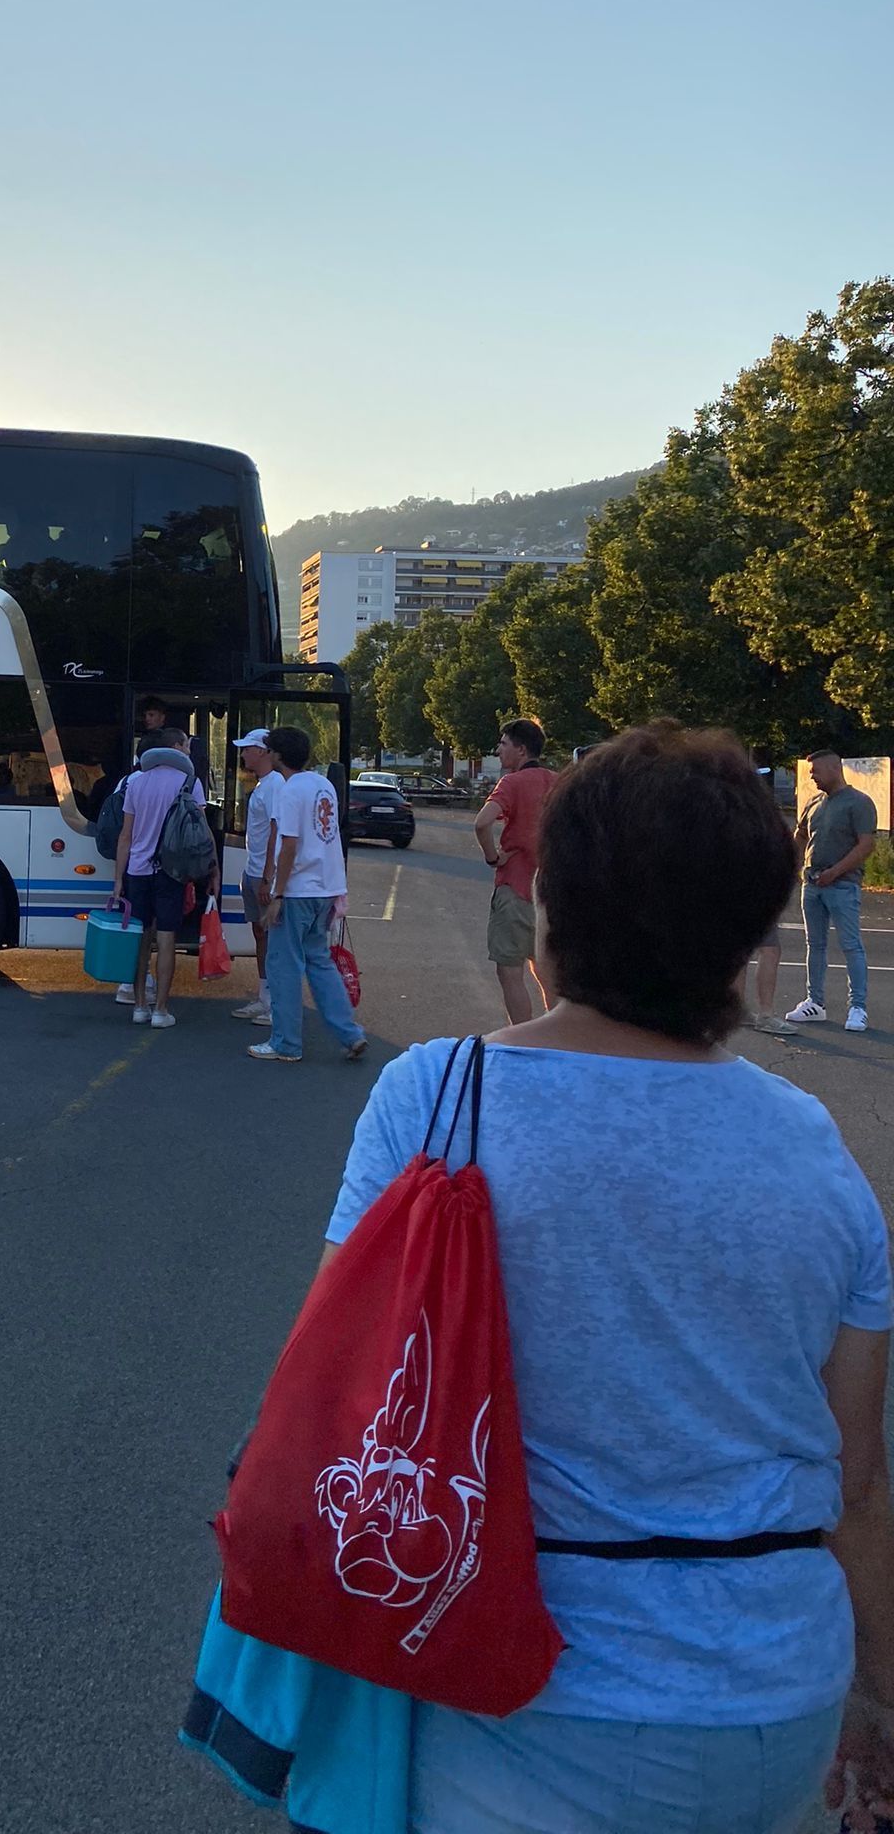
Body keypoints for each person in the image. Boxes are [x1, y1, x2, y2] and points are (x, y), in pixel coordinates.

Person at [235, 725, 894, 1834]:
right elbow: (859, 1479)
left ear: (552, 902)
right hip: (776, 1696)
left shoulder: (439, 1096)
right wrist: (877, 1694)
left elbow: (338, 1371)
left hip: (516, 1677)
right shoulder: (817, 1146)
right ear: (742, 940)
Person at [247, 727, 366, 1064]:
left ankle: (286, 1043)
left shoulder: (288, 791)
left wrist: (278, 893)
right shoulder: (322, 784)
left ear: (277, 755)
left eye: (268, 750)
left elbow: (289, 846)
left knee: (283, 964)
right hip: (327, 887)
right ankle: (350, 1033)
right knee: (319, 962)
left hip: (298, 889)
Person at [112, 730, 215, 1031]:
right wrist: (213, 871)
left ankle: (140, 1006)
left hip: (137, 871)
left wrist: (118, 879)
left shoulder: (136, 782)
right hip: (172, 871)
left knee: (141, 939)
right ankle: (161, 1010)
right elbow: (201, 832)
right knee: (167, 938)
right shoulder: (189, 783)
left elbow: (125, 836)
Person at [474, 717, 559, 1024]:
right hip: (552, 895)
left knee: (510, 971)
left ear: (521, 750)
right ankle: (557, 1038)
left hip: (516, 889)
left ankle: (524, 1040)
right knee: (549, 973)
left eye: (504, 743)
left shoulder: (511, 784)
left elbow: (482, 823)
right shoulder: (559, 781)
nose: (499, 750)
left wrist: (492, 857)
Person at [788, 749, 879, 1034]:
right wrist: (797, 864)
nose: (812, 776)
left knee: (851, 946)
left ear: (832, 768)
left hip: (843, 885)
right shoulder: (814, 802)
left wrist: (835, 872)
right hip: (812, 885)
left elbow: (866, 845)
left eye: (815, 771)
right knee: (814, 945)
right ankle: (814, 1002)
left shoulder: (860, 803)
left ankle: (858, 1008)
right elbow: (801, 834)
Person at [229, 729, 281, 1027]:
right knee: (260, 935)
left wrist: (266, 878)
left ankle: (275, 1004)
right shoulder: (264, 784)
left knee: (272, 939)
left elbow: (276, 830)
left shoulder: (274, 786)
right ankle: (264, 997)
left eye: (248, 748)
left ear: (262, 751)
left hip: (262, 874)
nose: (244, 753)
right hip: (254, 870)